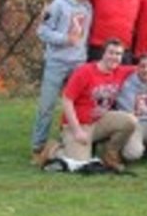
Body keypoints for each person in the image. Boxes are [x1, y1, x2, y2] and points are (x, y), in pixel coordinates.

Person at [31, 0, 96, 162]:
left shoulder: (88, 7)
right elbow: (42, 31)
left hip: (78, 63)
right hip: (57, 62)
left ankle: (66, 140)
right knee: (47, 105)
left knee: (76, 105)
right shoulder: (59, 4)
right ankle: (38, 147)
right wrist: (64, 39)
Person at [57, 39, 138, 171]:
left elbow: (146, 70)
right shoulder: (84, 72)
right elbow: (66, 100)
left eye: (118, 54)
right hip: (79, 124)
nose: (114, 57)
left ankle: (110, 154)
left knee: (130, 121)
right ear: (103, 53)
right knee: (80, 164)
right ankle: (55, 150)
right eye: (111, 53)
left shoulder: (120, 71)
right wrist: (77, 130)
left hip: (99, 121)